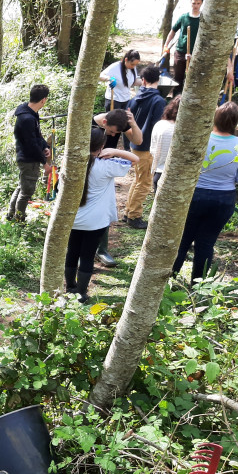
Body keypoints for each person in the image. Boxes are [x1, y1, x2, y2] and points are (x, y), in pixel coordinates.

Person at [172, 102, 238, 283]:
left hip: (194, 195)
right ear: (236, 122)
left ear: (214, 118)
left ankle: (170, 280)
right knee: (206, 244)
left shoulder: (201, 139)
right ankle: (198, 286)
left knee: (182, 241)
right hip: (222, 199)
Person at [65, 128, 138, 303]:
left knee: (72, 252)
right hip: (96, 221)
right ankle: (81, 294)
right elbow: (136, 159)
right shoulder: (107, 165)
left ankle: (70, 288)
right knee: (87, 255)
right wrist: (114, 151)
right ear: (101, 146)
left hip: (73, 219)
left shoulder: (70, 164)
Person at [89, 109, 143, 266]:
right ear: (104, 122)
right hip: (87, 168)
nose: (113, 135)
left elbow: (138, 141)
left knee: (104, 208)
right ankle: (83, 251)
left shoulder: (118, 122)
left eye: (116, 133)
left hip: (104, 170)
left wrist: (132, 123)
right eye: (111, 132)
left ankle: (101, 250)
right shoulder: (90, 123)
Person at [124, 66, 168, 229]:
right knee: (144, 183)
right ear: (158, 80)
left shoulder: (135, 98)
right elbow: (158, 126)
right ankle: (134, 216)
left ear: (143, 80)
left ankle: (128, 211)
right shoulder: (159, 101)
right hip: (148, 147)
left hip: (135, 144)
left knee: (138, 180)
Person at [6, 84, 52, 223]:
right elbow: (31, 144)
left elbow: (37, 136)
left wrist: (45, 146)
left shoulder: (30, 113)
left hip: (27, 157)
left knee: (22, 187)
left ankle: (11, 214)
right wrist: (44, 163)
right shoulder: (27, 118)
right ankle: (19, 220)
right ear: (43, 100)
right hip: (28, 159)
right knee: (26, 192)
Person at [163, 0, 204, 96]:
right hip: (180, 52)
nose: (195, 6)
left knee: (192, 79)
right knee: (178, 79)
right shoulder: (184, 17)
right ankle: (175, 101)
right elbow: (173, 31)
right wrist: (166, 45)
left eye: (198, 3)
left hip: (195, 53)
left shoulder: (203, 19)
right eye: (194, 3)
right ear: (191, 3)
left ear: (201, 4)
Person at [150, 96, 180, 192]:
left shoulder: (160, 124)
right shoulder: (183, 131)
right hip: (177, 177)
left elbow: (153, 150)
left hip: (159, 172)